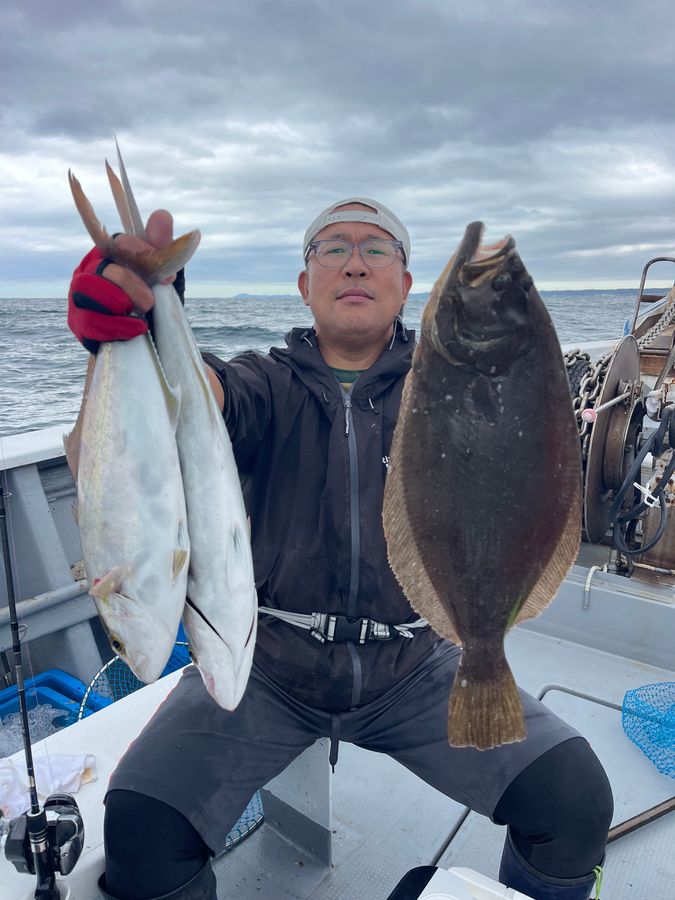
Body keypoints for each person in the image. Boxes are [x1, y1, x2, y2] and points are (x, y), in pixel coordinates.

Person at [67, 198, 613, 900]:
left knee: (572, 800)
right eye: (331, 247)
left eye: (377, 248)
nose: (354, 260)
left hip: (413, 664)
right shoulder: (263, 381)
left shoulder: (449, 388)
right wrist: (125, 331)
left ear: (407, 284)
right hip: (265, 666)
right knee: (141, 825)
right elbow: (181, 407)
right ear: (304, 284)